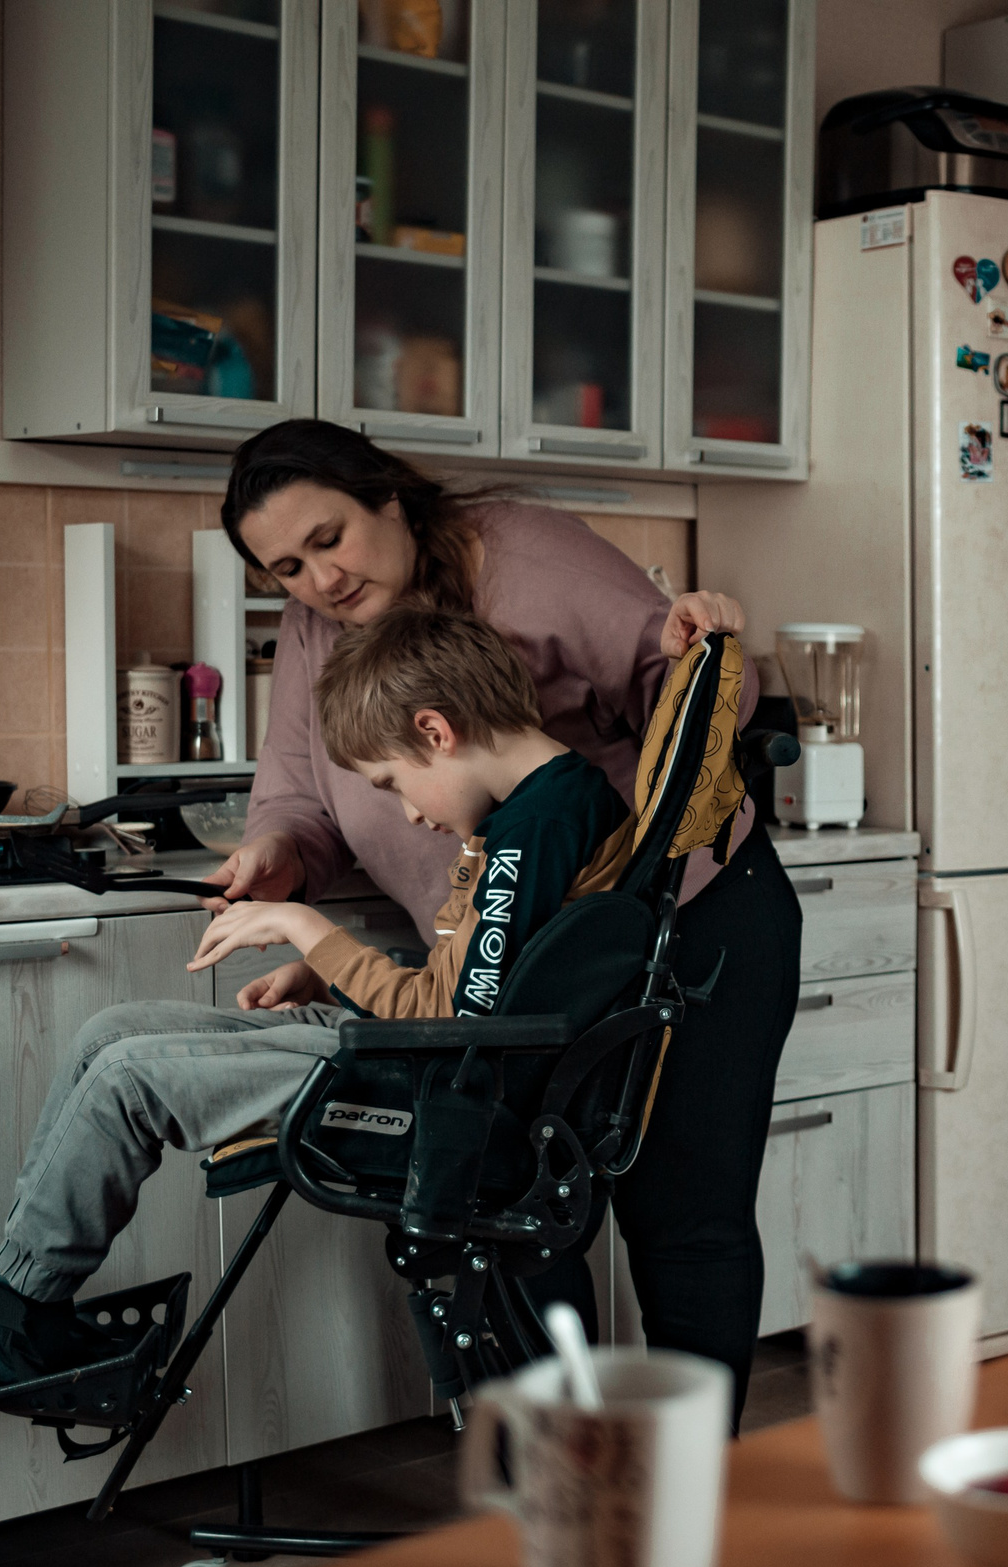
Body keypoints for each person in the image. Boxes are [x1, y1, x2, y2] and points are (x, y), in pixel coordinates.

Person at [0, 610, 632, 1402]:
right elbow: (479, 990)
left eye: (393, 782)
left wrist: (309, 927)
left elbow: (466, 1023)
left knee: (129, 1076)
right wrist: (330, 974)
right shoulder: (548, 807)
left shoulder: (532, 831)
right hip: (428, 1062)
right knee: (112, 1033)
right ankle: (20, 1310)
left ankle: (13, 1317)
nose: (408, 813)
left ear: (435, 730)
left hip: (439, 1096)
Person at [209, 420, 800, 1417]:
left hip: (680, 928)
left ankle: (690, 1482)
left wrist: (599, 822)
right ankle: (567, 1483)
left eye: (329, 537)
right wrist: (281, 851)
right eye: (286, 568)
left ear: (388, 498)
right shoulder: (318, 628)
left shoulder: (521, 557)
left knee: (681, 1213)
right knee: (513, 1211)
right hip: (509, 964)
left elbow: (695, 689)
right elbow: (300, 795)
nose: (318, 577)